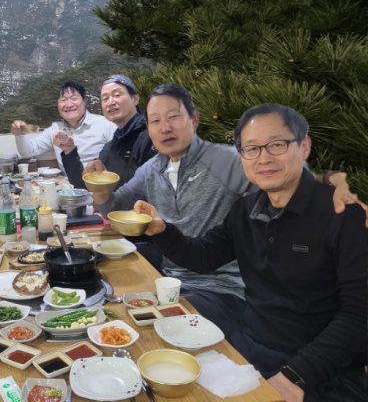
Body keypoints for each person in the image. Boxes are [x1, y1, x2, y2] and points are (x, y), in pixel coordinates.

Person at [135, 104, 367, 402]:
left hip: (322, 368)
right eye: (252, 149)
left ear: (304, 146)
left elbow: (360, 314)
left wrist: (298, 374)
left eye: (277, 145)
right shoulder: (247, 208)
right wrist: (161, 230)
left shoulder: (343, 215)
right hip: (252, 342)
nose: (264, 158)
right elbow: (204, 257)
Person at [96, 83, 362, 313]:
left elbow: (290, 173)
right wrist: (99, 187)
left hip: (223, 287)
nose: (165, 128)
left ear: (194, 119)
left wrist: (335, 186)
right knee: (105, 286)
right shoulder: (152, 169)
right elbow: (115, 208)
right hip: (173, 278)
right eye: (155, 121)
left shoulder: (225, 160)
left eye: (174, 117)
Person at [62, 73, 155, 189]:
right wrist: (69, 151)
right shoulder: (110, 147)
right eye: (105, 98)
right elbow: (84, 186)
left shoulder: (151, 136)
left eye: (117, 95)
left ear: (135, 99)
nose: (110, 102)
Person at [11, 81, 116, 173]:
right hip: (68, 188)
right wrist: (20, 134)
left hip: (99, 185)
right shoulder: (55, 129)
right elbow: (29, 151)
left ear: (84, 101)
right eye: (64, 100)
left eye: (73, 98)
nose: (69, 104)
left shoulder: (105, 124)